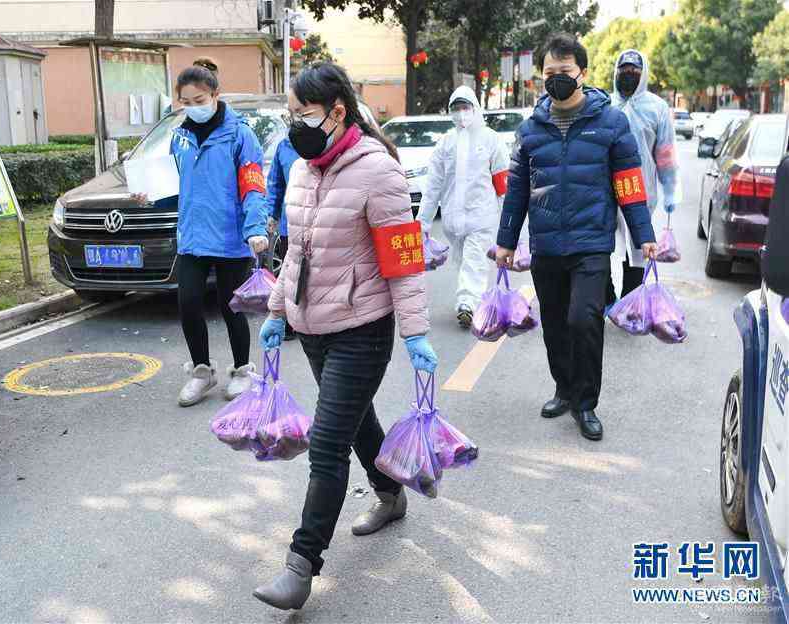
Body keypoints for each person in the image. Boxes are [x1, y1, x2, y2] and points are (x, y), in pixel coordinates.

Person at [253, 62, 437, 611]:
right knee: (357, 424)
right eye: (291, 115)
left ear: (337, 113)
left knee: (327, 444)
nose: (295, 126)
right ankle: (390, 494)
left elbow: (403, 261)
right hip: (313, 327)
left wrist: (416, 333)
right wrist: (276, 310)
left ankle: (300, 565)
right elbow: (297, 256)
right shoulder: (306, 168)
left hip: (362, 329)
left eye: (303, 115)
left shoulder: (378, 171)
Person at [496, 33, 657, 442]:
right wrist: (506, 241)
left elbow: (628, 184)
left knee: (583, 318)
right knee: (554, 323)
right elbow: (516, 189)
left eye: (564, 72)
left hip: (591, 242)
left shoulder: (610, 123)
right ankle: (564, 389)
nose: (556, 79)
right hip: (547, 243)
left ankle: (585, 403)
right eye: (549, 73)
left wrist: (644, 235)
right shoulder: (531, 129)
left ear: (582, 73)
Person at [169, 61, 270, 407]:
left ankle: (242, 369)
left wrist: (255, 228)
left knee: (232, 307)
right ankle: (202, 372)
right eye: (186, 101)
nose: (193, 107)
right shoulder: (179, 136)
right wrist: (146, 193)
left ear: (215, 95)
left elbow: (254, 186)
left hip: (230, 237)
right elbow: (178, 181)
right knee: (189, 303)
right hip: (193, 237)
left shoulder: (240, 135)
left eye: (199, 100)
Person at [417, 85, 510, 328]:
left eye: (465, 107)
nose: (461, 113)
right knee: (463, 260)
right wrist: (423, 222)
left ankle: (466, 303)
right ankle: (472, 298)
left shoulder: (491, 139)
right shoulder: (445, 143)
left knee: (474, 259)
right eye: (456, 108)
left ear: (475, 108)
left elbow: (503, 182)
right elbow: (433, 186)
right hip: (451, 220)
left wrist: (510, 222)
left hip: (481, 216)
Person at [607, 49, 681, 306]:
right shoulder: (605, 105)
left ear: (643, 74)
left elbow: (665, 154)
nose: (628, 76)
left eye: (634, 72)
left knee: (638, 247)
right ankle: (605, 295)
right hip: (605, 190)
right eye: (624, 71)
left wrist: (670, 189)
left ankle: (630, 301)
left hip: (641, 191)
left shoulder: (657, 108)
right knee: (602, 244)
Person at [264, 134, 300, 340]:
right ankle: (289, 323)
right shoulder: (285, 145)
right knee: (291, 276)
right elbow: (276, 183)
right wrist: (273, 213)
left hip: (324, 224)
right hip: (291, 224)